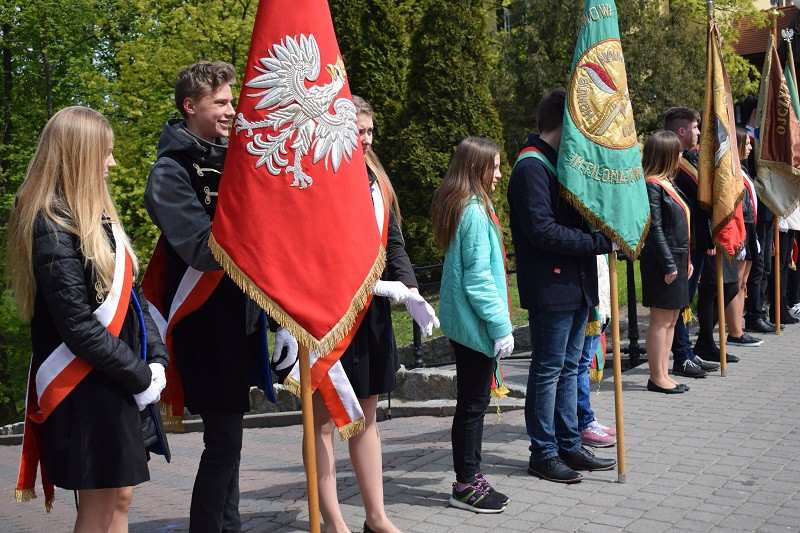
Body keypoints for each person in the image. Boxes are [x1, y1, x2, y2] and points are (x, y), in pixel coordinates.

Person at [144, 61, 293, 532]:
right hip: (204, 323)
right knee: (223, 440)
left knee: (230, 438)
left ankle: (227, 525)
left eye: (233, 100)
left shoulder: (237, 158)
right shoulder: (169, 172)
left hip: (241, 319)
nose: (233, 110)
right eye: (223, 102)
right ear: (190, 106)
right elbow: (203, 251)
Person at [8, 106, 168, 531]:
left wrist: (157, 360)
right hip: (85, 385)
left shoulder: (99, 217)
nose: (112, 163)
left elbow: (134, 302)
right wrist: (138, 374)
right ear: (78, 156)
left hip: (113, 379)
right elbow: (77, 325)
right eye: (105, 153)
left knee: (120, 497)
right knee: (97, 509)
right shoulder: (51, 225)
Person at [311, 95, 436, 533]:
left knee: (366, 414)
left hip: (373, 312)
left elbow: (393, 243)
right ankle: (332, 521)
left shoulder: (375, 178)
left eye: (368, 131)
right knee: (324, 420)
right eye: (356, 131)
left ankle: (376, 516)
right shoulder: (318, 177)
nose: (364, 140)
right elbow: (315, 253)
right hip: (329, 315)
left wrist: (413, 291)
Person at [507, 89, 616, 484]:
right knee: (549, 370)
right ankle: (544, 452)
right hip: (552, 287)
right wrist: (598, 243)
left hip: (576, 282)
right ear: (564, 123)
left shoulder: (559, 163)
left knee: (571, 367)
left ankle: (569, 444)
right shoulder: (532, 166)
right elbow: (542, 230)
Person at [432, 136, 513, 514]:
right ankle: (466, 483)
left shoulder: (465, 205)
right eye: (493, 166)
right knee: (472, 405)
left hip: (465, 322)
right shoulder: (475, 212)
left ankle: (472, 476)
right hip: (474, 326)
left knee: (472, 404)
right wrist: (499, 326)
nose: (498, 174)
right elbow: (478, 280)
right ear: (476, 167)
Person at [664, 107, 719, 378]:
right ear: (681, 131)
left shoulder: (687, 160)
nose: (699, 133)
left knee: (686, 301)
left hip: (696, 242)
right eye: (695, 128)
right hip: (683, 244)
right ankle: (681, 356)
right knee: (680, 302)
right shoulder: (672, 164)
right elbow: (695, 204)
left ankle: (686, 351)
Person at [639, 131, 693, 393]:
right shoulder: (651, 185)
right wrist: (670, 263)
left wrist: (686, 260)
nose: (681, 156)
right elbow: (655, 229)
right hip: (663, 262)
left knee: (672, 320)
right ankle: (655, 376)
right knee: (661, 320)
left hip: (677, 258)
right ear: (666, 155)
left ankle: (664, 373)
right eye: (678, 152)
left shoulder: (668, 183)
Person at [741, 94, 779, 334]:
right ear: (755, 113)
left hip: (766, 210)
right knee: (756, 266)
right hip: (752, 213)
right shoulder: (745, 138)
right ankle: (753, 314)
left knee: (764, 266)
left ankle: (759, 312)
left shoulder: (762, 139)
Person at [725, 128, 763, 347]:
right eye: (746, 144)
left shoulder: (742, 169)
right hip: (739, 227)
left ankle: (738, 329)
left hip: (749, 227)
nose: (750, 148)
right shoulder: (730, 170)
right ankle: (735, 331)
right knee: (737, 281)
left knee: (743, 283)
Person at [577, 255, 616, 447]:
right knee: (579, 365)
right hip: (587, 298)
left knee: (582, 364)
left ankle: (586, 419)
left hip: (599, 297)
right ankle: (583, 422)